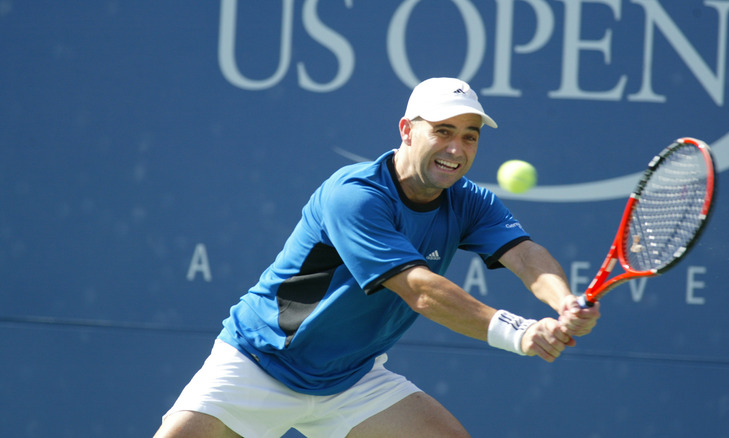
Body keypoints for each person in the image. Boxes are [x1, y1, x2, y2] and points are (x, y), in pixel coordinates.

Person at [154, 77, 600, 438]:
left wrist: (563, 302)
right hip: (260, 362)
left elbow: (524, 254)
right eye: (442, 131)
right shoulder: (354, 195)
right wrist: (519, 332)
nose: (456, 150)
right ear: (406, 130)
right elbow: (420, 292)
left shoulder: (469, 200)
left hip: (351, 379)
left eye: (470, 137)